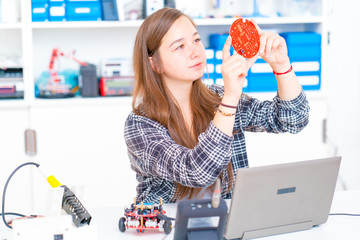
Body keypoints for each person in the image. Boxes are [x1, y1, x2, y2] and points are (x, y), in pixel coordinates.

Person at [124, 8, 310, 203]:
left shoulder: (218, 96)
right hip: (167, 228)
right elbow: (197, 172)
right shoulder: (139, 125)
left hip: (228, 223)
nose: (195, 52)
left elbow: (293, 120)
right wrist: (230, 97)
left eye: (196, 40)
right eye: (179, 47)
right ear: (155, 64)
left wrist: (281, 65)